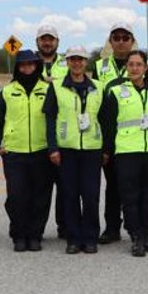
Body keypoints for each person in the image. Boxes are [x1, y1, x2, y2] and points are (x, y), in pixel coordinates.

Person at [99, 50, 148, 257]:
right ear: (127, 67)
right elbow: (108, 125)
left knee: (146, 196)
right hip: (127, 153)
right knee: (130, 197)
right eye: (131, 64)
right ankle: (136, 235)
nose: (135, 68)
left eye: (139, 64)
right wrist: (106, 151)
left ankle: (147, 232)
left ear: (146, 68)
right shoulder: (116, 92)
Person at [0, 49, 56, 252]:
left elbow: (56, 119)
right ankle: (19, 234)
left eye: (30, 64)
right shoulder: (7, 92)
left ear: (37, 66)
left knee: (40, 197)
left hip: (41, 151)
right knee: (17, 196)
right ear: (18, 68)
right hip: (14, 153)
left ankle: (35, 235)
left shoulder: (48, 90)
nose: (27, 68)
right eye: (22, 65)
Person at [47, 45, 104, 254]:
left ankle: (90, 238)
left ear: (86, 62)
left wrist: (105, 149)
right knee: (69, 195)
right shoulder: (57, 87)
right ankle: (73, 238)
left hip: (91, 149)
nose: (77, 63)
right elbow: (50, 119)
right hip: (67, 149)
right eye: (73, 59)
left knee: (90, 196)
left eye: (80, 59)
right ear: (68, 62)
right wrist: (53, 148)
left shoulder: (98, 87)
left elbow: (105, 119)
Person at [94, 21, 144, 243]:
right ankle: (112, 228)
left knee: (134, 186)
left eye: (126, 38)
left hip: (133, 138)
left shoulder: (140, 64)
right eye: (116, 38)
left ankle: (139, 227)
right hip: (107, 133)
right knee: (112, 185)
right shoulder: (99, 66)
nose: (121, 42)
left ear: (132, 41)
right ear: (110, 41)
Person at [36, 23, 68, 239]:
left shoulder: (67, 65)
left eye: (51, 39)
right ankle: (37, 230)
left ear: (57, 42)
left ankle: (65, 228)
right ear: (37, 41)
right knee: (40, 190)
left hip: (62, 135)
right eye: (43, 39)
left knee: (65, 188)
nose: (47, 43)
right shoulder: (27, 63)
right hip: (37, 137)